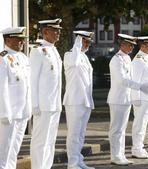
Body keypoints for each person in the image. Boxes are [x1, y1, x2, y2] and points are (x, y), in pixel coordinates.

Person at [107, 34, 148, 165]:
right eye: (129, 44)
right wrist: (139, 86)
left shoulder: (126, 58)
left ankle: (120, 155)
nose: (132, 47)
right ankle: (115, 156)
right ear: (122, 45)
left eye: (133, 45)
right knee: (116, 129)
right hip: (117, 98)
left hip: (125, 98)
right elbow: (122, 80)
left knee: (122, 129)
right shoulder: (117, 59)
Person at [29, 18, 63, 169]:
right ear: (45, 32)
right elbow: (33, 80)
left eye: (59, 30)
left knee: (50, 140)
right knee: (40, 140)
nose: (58, 33)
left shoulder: (53, 50)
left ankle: (46, 166)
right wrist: (34, 104)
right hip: (43, 105)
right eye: (55, 30)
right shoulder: (37, 51)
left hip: (54, 103)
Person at [0, 27, 31, 169]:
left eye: (22, 40)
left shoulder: (23, 58)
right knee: (4, 149)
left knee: (14, 148)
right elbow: (2, 88)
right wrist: (4, 113)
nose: (21, 42)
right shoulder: (3, 59)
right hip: (10, 113)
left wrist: (29, 108)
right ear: (7, 40)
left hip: (22, 111)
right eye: (18, 39)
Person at [63, 31, 95, 169]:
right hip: (74, 100)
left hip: (85, 100)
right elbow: (75, 64)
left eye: (88, 42)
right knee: (74, 134)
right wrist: (77, 44)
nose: (87, 45)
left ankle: (79, 159)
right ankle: (72, 163)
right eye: (84, 41)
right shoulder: (70, 55)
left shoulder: (84, 57)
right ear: (77, 41)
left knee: (81, 134)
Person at [131, 36, 148, 159]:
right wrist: (135, 98)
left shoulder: (146, 59)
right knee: (139, 123)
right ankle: (136, 148)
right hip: (141, 97)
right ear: (143, 45)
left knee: (144, 123)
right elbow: (135, 80)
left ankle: (140, 147)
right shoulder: (138, 59)